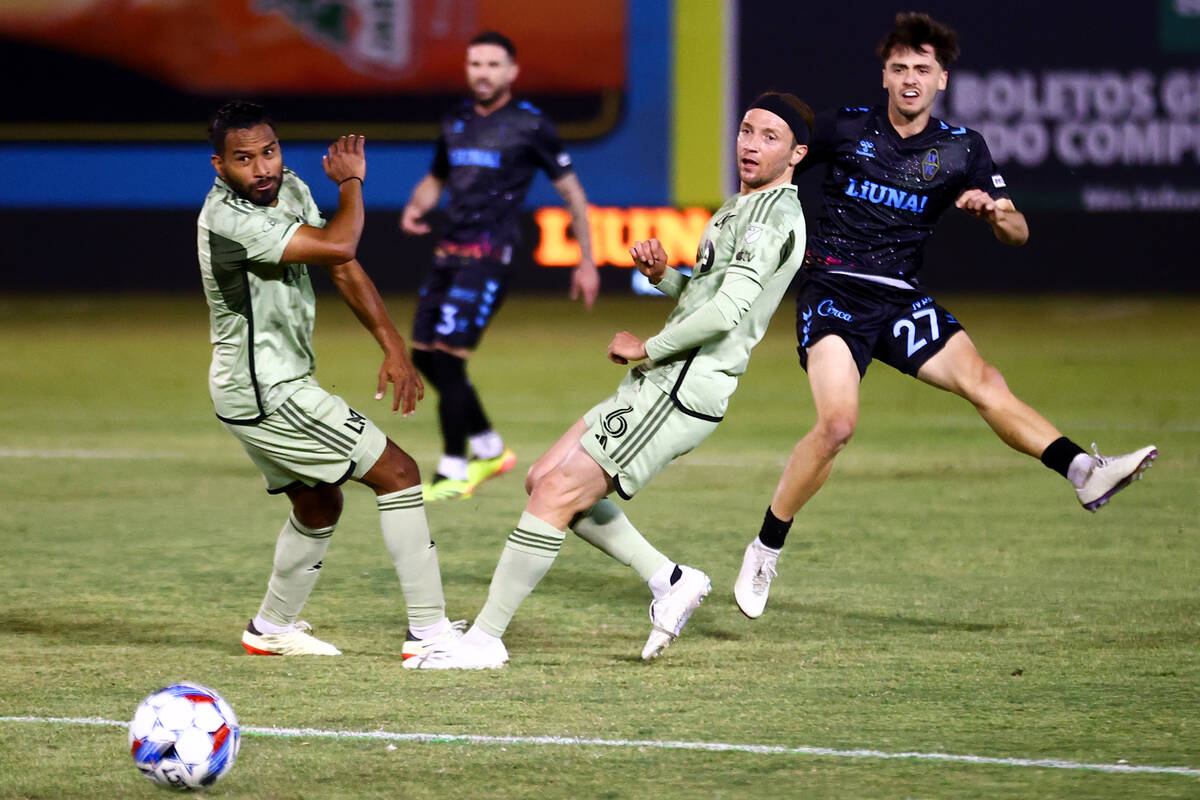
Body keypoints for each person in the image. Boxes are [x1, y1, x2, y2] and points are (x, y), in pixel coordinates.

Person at [732, 13, 1158, 620]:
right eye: (900, 67)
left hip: (901, 299)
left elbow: (1019, 231)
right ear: (884, 74)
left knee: (985, 382)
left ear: (942, 80)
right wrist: (747, 210)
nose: (911, 79)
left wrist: (993, 212)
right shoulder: (846, 128)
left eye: (922, 69)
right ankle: (765, 546)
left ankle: (1083, 471)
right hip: (835, 291)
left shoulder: (963, 148)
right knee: (838, 426)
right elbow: (780, 156)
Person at [404, 92, 815, 670]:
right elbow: (709, 296)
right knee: (543, 477)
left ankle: (486, 640)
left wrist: (646, 346)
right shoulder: (740, 205)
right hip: (664, 377)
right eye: (747, 129)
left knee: (557, 492)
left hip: (679, 389)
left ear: (797, 153)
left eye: (770, 137)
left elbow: (726, 316)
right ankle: (669, 580)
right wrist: (661, 276)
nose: (750, 143)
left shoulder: (773, 219)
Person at [198, 101, 462, 658]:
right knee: (398, 472)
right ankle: (431, 636)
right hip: (268, 389)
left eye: (269, 151)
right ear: (219, 166)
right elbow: (341, 244)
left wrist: (393, 344)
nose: (263, 168)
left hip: (268, 384)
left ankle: (271, 629)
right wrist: (352, 184)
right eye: (244, 159)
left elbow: (338, 264)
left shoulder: (288, 187)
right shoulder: (226, 220)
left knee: (319, 504)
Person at [400, 30, 600, 502]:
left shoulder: (531, 125)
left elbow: (572, 194)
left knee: (448, 358)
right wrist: (416, 206)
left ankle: (454, 469)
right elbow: (437, 177)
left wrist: (586, 260)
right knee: (423, 356)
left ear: (511, 72)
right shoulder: (456, 120)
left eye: (492, 65)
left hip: (490, 258)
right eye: (475, 64)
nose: (482, 73)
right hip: (449, 252)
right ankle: (489, 446)